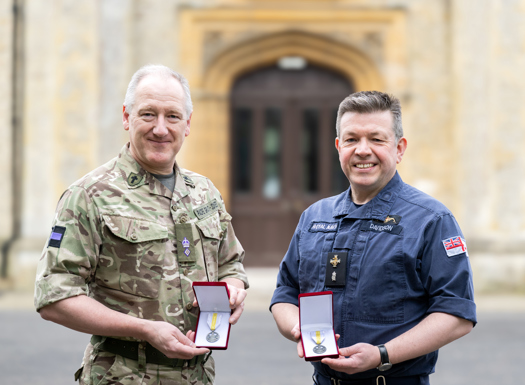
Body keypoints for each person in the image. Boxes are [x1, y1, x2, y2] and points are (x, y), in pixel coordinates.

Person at [34, 64, 249, 385]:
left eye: (173, 116)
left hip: (198, 376)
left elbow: (231, 264)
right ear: (126, 117)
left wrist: (234, 288)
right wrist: (145, 329)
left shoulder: (204, 192)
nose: (160, 129)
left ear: (187, 124)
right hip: (122, 374)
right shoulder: (89, 195)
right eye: (148, 114)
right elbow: (54, 298)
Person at [270, 91, 476, 385]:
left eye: (376, 139)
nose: (362, 150)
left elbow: (457, 314)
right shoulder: (315, 217)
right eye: (352, 139)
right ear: (339, 147)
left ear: (399, 148)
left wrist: (382, 353)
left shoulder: (432, 220)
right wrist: (298, 327)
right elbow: (286, 292)